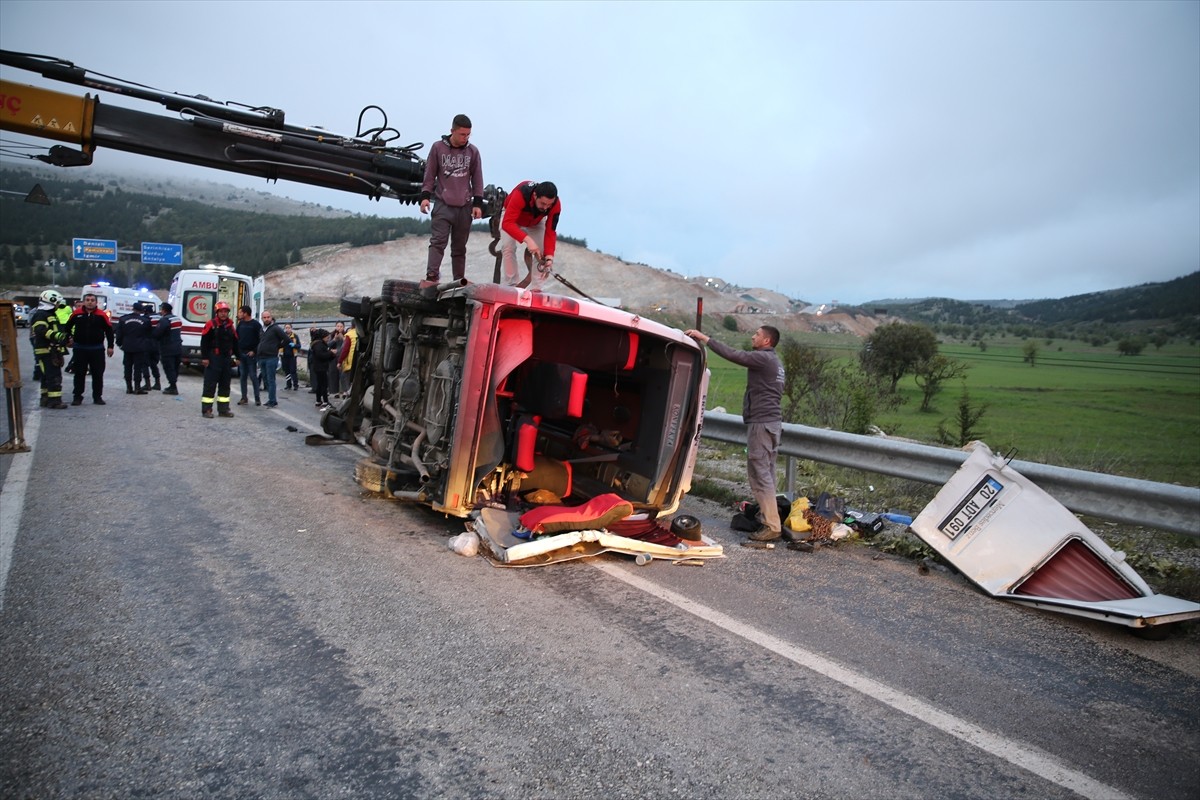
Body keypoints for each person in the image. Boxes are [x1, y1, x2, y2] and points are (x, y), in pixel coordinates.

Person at [685, 325, 786, 542]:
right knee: (767, 473)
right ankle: (768, 518)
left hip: (762, 423)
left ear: (767, 341)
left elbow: (734, 355)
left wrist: (704, 338)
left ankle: (771, 525)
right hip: (771, 423)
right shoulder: (775, 362)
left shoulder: (763, 358)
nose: (752, 336)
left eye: (757, 334)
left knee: (759, 473)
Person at [419, 114, 484, 286]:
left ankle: (458, 280)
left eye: (468, 135)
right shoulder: (438, 148)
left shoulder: (473, 151)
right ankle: (432, 276)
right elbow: (429, 174)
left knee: (460, 247)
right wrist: (425, 197)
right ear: (452, 131)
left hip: (464, 206)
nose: (465, 138)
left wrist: (477, 203)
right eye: (462, 134)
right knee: (438, 242)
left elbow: (477, 179)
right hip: (443, 204)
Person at [500, 180, 562, 291]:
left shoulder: (555, 204)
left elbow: (551, 231)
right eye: (543, 203)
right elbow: (507, 223)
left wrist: (549, 256)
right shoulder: (521, 194)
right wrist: (528, 240)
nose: (545, 208)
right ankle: (510, 286)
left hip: (536, 221)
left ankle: (536, 288)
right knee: (508, 247)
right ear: (535, 195)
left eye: (549, 205)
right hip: (512, 218)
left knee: (542, 252)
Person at [64, 292, 115, 405]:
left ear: (96, 302)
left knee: (97, 374)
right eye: (87, 300)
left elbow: (109, 331)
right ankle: (77, 397)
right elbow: (67, 327)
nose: (90, 302)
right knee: (79, 374)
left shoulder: (102, 315)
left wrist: (110, 346)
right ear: (84, 302)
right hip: (80, 348)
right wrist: (69, 338)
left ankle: (97, 397)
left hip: (97, 349)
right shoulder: (77, 314)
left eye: (92, 300)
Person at [30, 289, 72, 409]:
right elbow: (40, 330)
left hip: (51, 350)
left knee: (46, 376)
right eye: (57, 303)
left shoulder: (50, 314)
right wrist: (58, 336)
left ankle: (45, 398)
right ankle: (54, 401)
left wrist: (64, 339)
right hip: (46, 350)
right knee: (54, 376)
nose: (58, 305)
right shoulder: (41, 315)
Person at [199, 301, 239, 418]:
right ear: (217, 312)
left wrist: (239, 357)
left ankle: (223, 410)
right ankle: (206, 410)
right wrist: (205, 358)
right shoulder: (211, 324)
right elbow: (204, 342)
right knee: (210, 385)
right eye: (221, 311)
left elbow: (235, 343)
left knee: (225, 385)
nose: (223, 314)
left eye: (225, 311)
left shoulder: (230, 326)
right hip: (213, 359)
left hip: (226, 359)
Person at [116, 301, 153, 394]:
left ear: (133, 309)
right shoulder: (145, 321)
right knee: (138, 368)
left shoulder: (123, 319)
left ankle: (129, 387)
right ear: (141, 310)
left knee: (127, 367)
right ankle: (137, 388)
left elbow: (119, 333)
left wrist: (119, 343)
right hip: (140, 347)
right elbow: (148, 335)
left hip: (127, 347)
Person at [256, 309, 287, 408]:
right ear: (262, 318)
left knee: (271, 379)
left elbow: (286, 339)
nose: (266, 319)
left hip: (271, 358)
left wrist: (277, 346)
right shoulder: (262, 329)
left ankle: (272, 400)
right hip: (262, 357)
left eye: (268, 317)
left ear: (271, 317)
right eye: (264, 317)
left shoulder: (275, 328)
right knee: (265, 379)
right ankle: (271, 399)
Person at [155, 301, 184, 395]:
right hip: (178, 346)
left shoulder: (164, 320)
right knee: (175, 367)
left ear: (164, 310)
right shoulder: (177, 319)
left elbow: (158, 333)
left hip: (167, 347)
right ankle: (173, 383)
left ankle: (173, 386)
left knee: (169, 367)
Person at [235, 305, 262, 406]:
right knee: (243, 376)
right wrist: (237, 353)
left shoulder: (256, 325)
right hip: (242, 354)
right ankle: (244, 397)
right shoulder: (240, 324)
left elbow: (261, 340)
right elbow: (236, 338)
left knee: (253, 376)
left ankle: (257, 398)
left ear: (245, 313)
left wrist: (254, 351)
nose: (239, 314)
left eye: (240, 312)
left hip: (251, 355)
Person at [309, 328, 334, 409]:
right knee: (324, 384)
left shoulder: (316, 343)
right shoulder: (319, 344)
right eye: (327, 337)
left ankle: (318, 400)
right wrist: (330, 353)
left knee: (320, 384)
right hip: (321, 367)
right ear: (322, 336)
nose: (328, 339)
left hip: (318, 367)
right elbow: (321, 355)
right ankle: (325, 401)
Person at [144, 302, 163, 391]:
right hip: (157, 344)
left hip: (147, 344)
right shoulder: (160, 318)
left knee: (144, 364)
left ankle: (147, 384)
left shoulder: (146, 318)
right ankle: (157, 383)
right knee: (154, 364)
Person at [336, 324, 358, 395]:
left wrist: (339, 361)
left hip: (350, 362)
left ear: (351, 326)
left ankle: (347, 394)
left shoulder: (350, 335)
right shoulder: (361, 333)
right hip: (358, 361)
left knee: (345, 378)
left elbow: (345, 350)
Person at [326, 321, 345, 399]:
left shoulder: (346, 334)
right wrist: (334, 339)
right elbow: (327, 345)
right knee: (333, 374)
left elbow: (346, 345)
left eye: (341, 326)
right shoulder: (331, 334)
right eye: (338, 326)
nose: (339, 328)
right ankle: (334, 391)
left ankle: (343, 391)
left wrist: (342, 338)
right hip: (333, 357)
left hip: (342, 357)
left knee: (342, 375)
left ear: (343, 327)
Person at [281, 323, 301, 390]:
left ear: (291, 328)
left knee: (293, 370)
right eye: (286, 328)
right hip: (284, 356)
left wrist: (294, 345)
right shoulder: (282, 336)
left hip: (292, 356)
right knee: (286, 371)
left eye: (289, 328)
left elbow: (299, 346)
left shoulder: (295, 336)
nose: (287, 329)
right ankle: (288, 385)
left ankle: (295, 385)